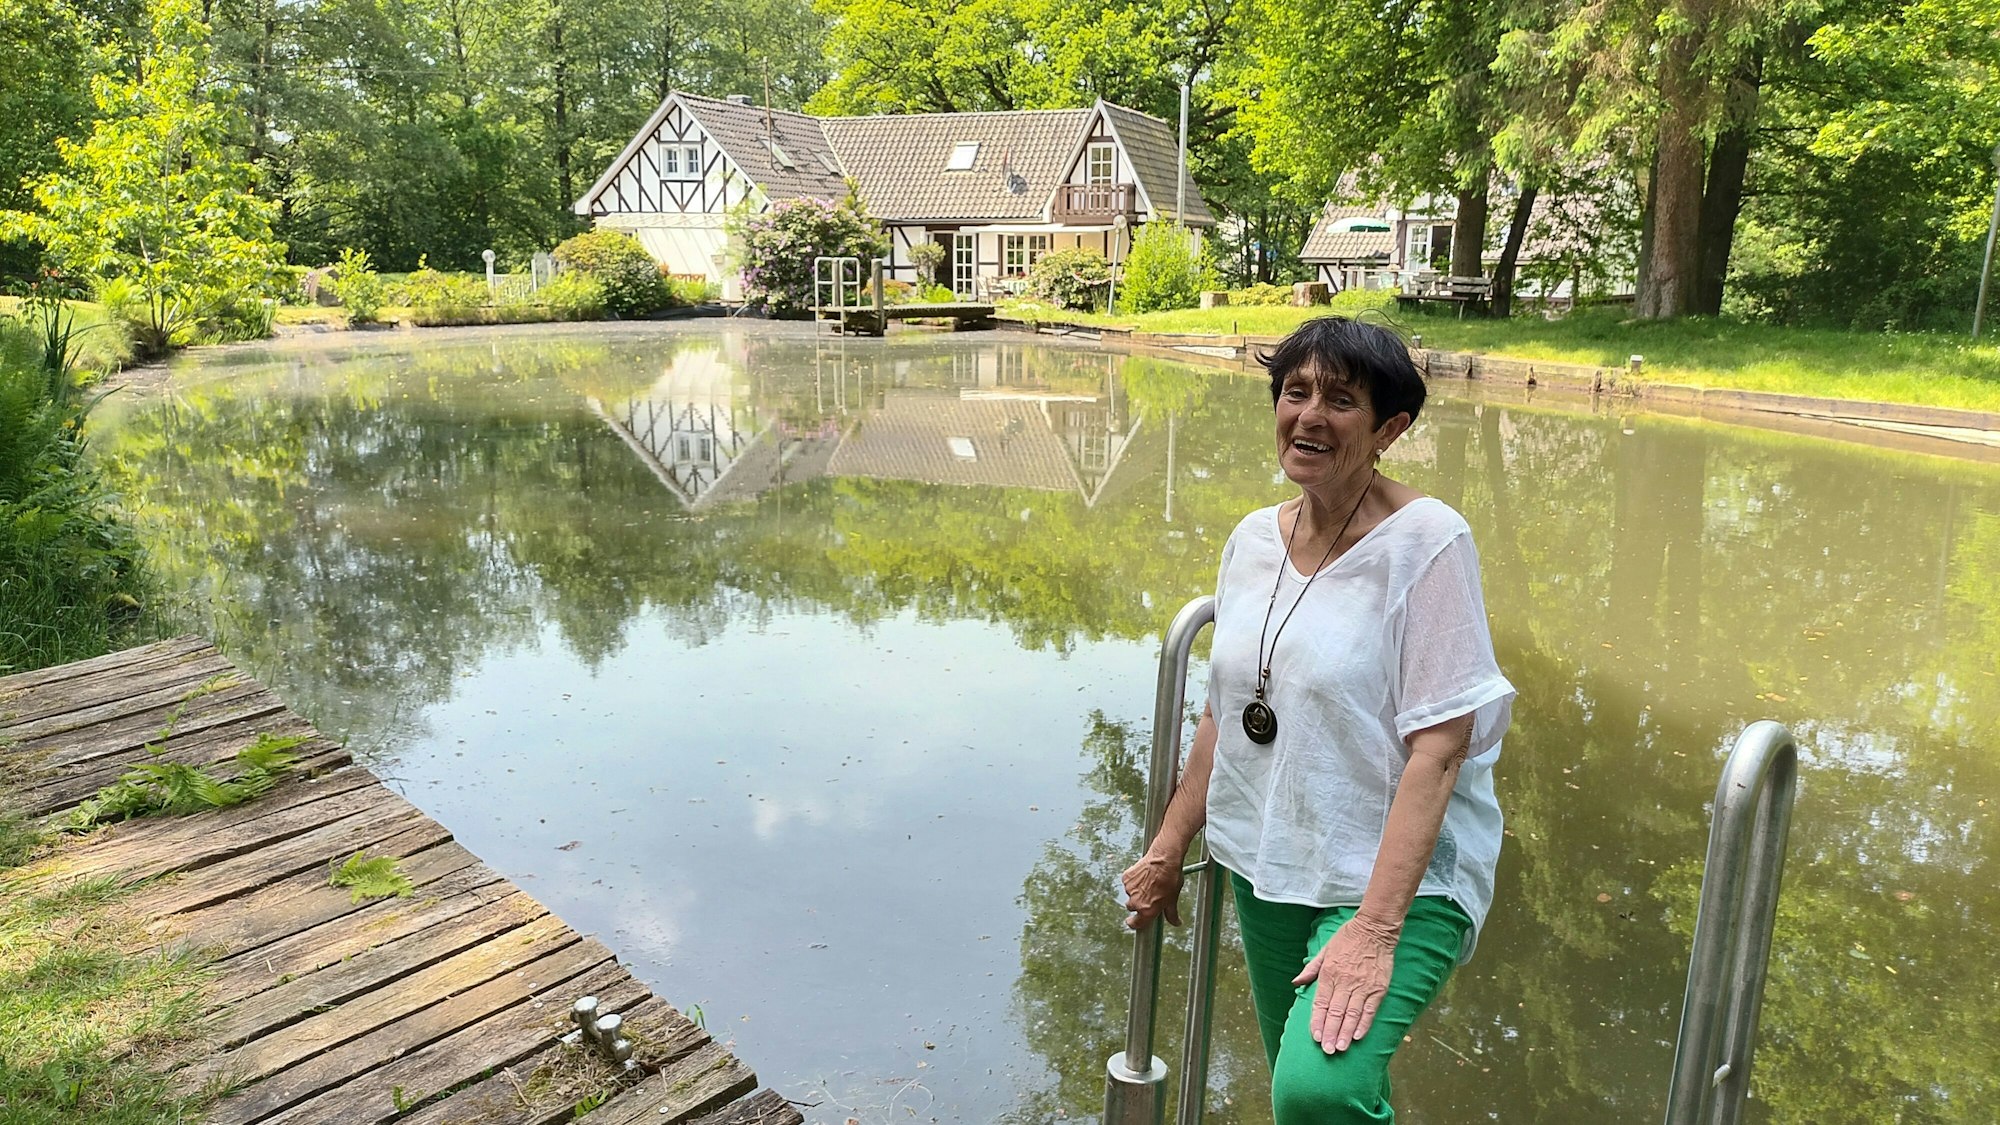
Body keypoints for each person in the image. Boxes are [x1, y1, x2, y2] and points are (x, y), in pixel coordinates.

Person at [1120, 316, 1515, 1124]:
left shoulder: (1428, 542)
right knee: (1302, 1086)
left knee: (1318, 1088)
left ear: (1389, 429)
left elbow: (1442, 749)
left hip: (1398, 877)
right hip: (1273, 854)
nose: (1309, 415)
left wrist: (1374, 931)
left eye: (1341, 399)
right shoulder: (1250, 540)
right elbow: (1222, 716)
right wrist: (1168, 848)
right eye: (1294, 391)